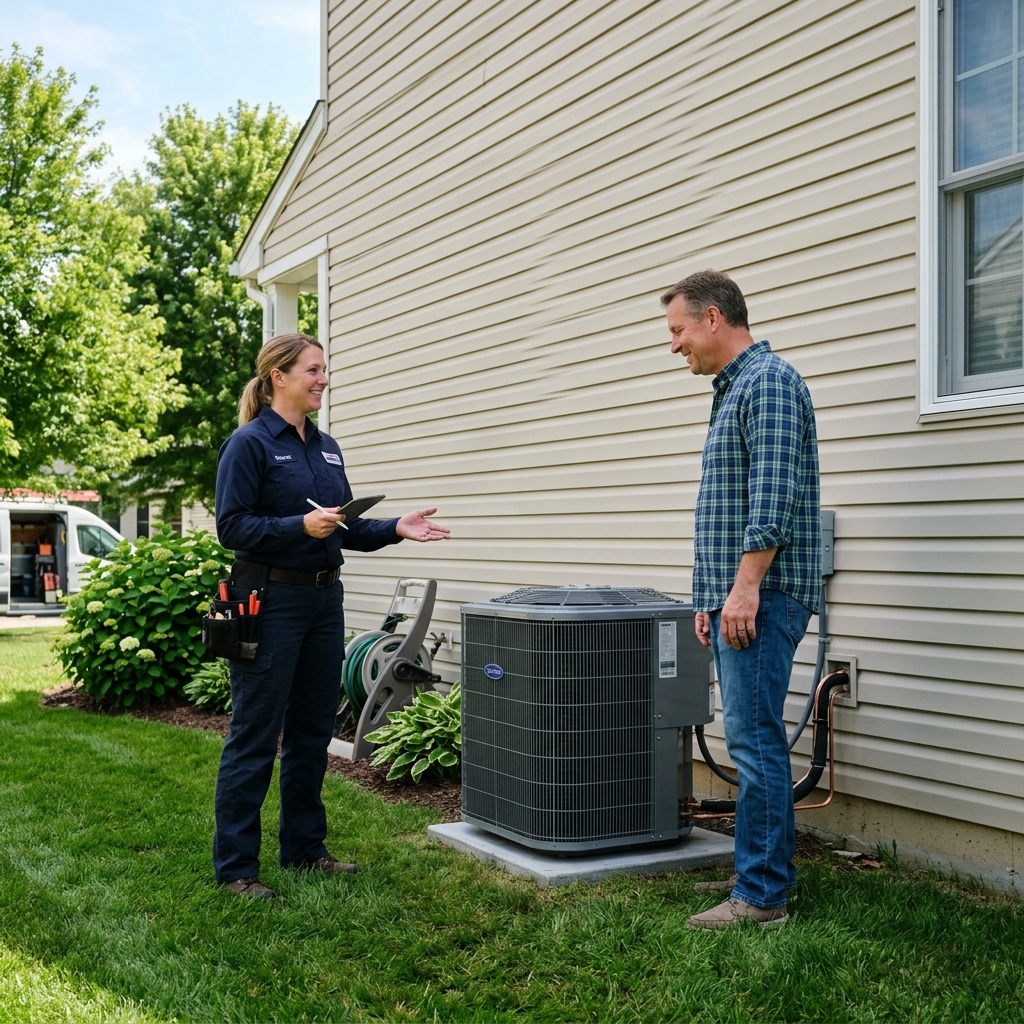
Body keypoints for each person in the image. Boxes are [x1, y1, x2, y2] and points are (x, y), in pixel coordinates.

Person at [213, 332, 450, 899]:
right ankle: (237, 870)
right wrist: (297, 527)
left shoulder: (327, 447)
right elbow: (232, 527)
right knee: (254, 733)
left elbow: (343, 529)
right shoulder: (248, 444)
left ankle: (303, 850)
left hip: (323, 600)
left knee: (313, 731)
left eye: (324, 370)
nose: (323, 379)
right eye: (314, 370)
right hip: (270, 603)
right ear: (280, 376)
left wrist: (394, 528)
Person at [662, 271, 820, 930]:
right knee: (754, 741)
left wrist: (746, 587)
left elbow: (774, 499)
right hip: (739, 593)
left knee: (754, 745)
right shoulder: (734, 391)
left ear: (712, 319)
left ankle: (759, 897)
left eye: (677, 331)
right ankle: (766, 878)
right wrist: (711, 594)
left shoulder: (769, 383)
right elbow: (730, 503)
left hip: (766, 593)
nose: (675, 347)